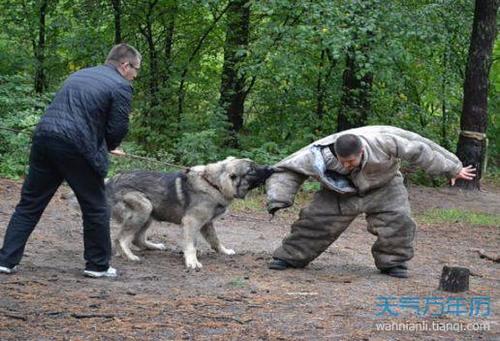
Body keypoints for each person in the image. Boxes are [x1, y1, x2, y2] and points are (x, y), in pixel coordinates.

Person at [0, 43, 141, 278]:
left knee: (29, 204)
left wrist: (101, 142)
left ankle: (5, 260)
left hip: (45, 138)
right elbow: (117, 128)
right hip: (76, 146)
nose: (135, 75)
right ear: (125, 65)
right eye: (135, 70)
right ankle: (97, 266)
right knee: (96, 206)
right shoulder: (120, 86)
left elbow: (74, 112)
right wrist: (109, 145)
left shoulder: (79, 74)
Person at [266, 125, 476, 278]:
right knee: (315, 222)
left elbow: (421, 150)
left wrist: (452, 168)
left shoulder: (384, 141)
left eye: (351, 161)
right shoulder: (319, 153)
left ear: (362, 151)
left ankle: (393, 262)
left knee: (399, 221)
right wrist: (279, 198)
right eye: (343, 161)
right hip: (340, 192)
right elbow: (286, 168)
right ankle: (290, 256)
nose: (347, 164)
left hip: (385, 185)